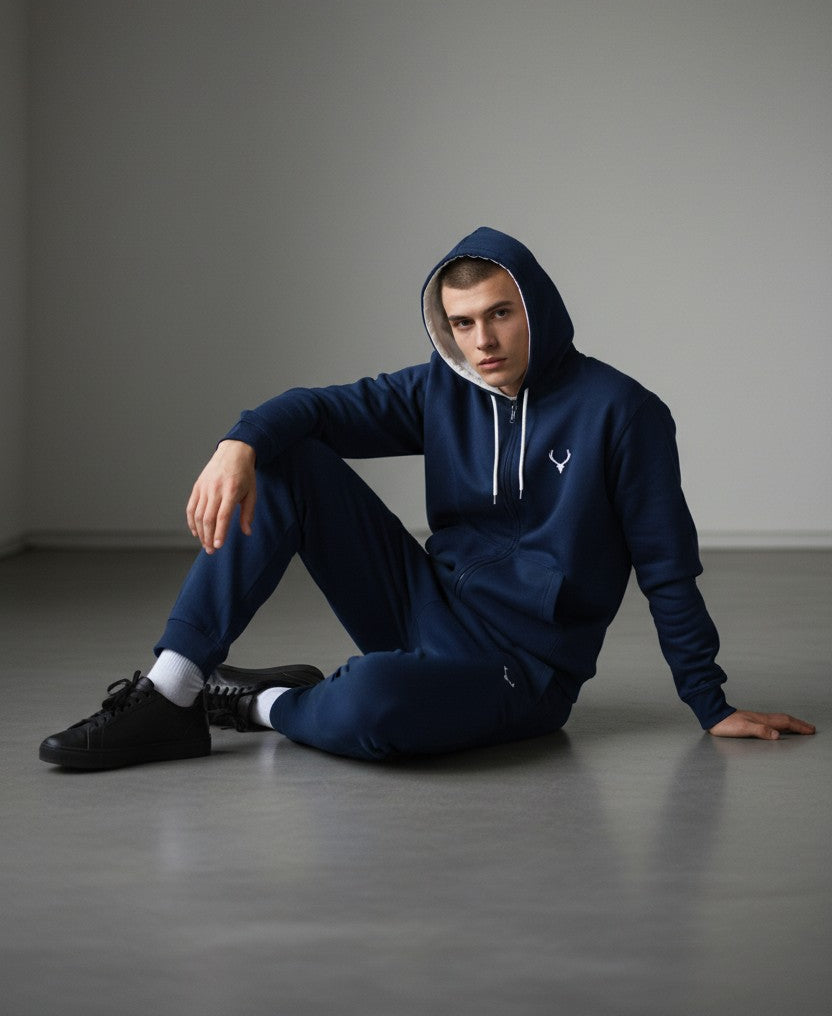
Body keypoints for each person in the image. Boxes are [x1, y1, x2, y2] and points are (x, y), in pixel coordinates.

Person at [39, 227, 814, 769]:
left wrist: (709, 702)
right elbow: (314, 409)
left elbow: (667, 566)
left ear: (535, 307)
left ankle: (255, 706)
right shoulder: (444, 390)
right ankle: (170, 693)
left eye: (501, 314)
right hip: (424, 607)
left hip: (522, 670)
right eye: (464, 323)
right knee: (286, 459)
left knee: (374, 702)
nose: (485, 342)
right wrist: (237, 442)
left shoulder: (623, 413)